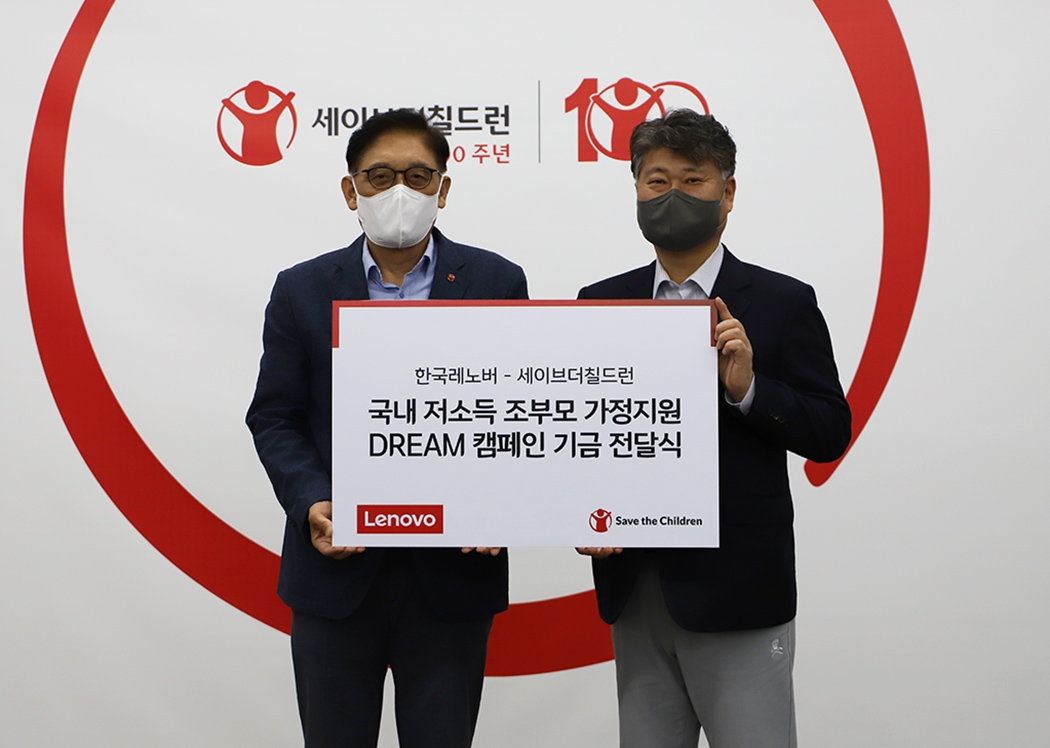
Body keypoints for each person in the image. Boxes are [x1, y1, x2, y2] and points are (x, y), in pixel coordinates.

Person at [246, 108, 528, 748]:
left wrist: (497, 504)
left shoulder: (496, 282)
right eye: (379, 176)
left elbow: (516, 411)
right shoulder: (301, 289)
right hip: (335, 576)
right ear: (351, 190)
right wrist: (312, 500)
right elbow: (275, 415)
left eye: (418, 176)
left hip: (452, 578)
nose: (399, 190)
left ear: (443, 189)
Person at [576, 109, 851, 748]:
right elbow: (584, 429)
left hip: (740, 589)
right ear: (636, 191)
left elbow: (828, 432)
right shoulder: (600, 301)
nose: (672, 195)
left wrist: (748, 389)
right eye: (656, 181)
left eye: (692, 180)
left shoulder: (783, 301)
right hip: (635, 586)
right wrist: (583, 511)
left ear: (727, 193)